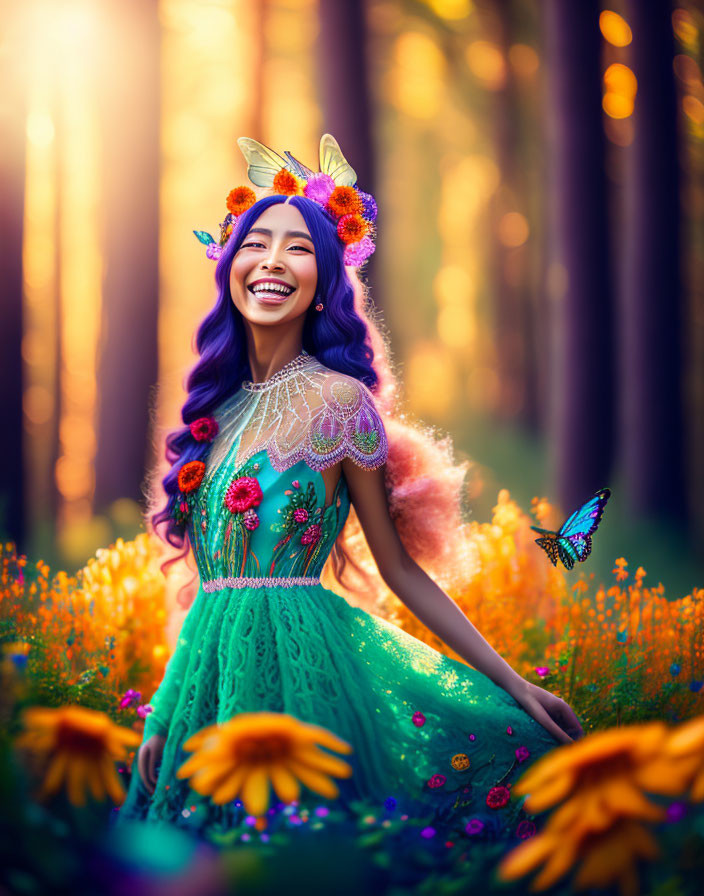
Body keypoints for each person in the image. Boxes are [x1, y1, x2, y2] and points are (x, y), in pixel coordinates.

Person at [116, 135, 583, 844]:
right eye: (256, 243)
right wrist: (164, 709)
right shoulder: (217, 411)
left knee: (304, 852)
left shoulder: (340, 404)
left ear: (326, 279)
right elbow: (203, 588)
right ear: (230, 265)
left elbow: (398, 569)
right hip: (204, 683)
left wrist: (515, 684)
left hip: (307, 673)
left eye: (298, 248)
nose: (272, 261)